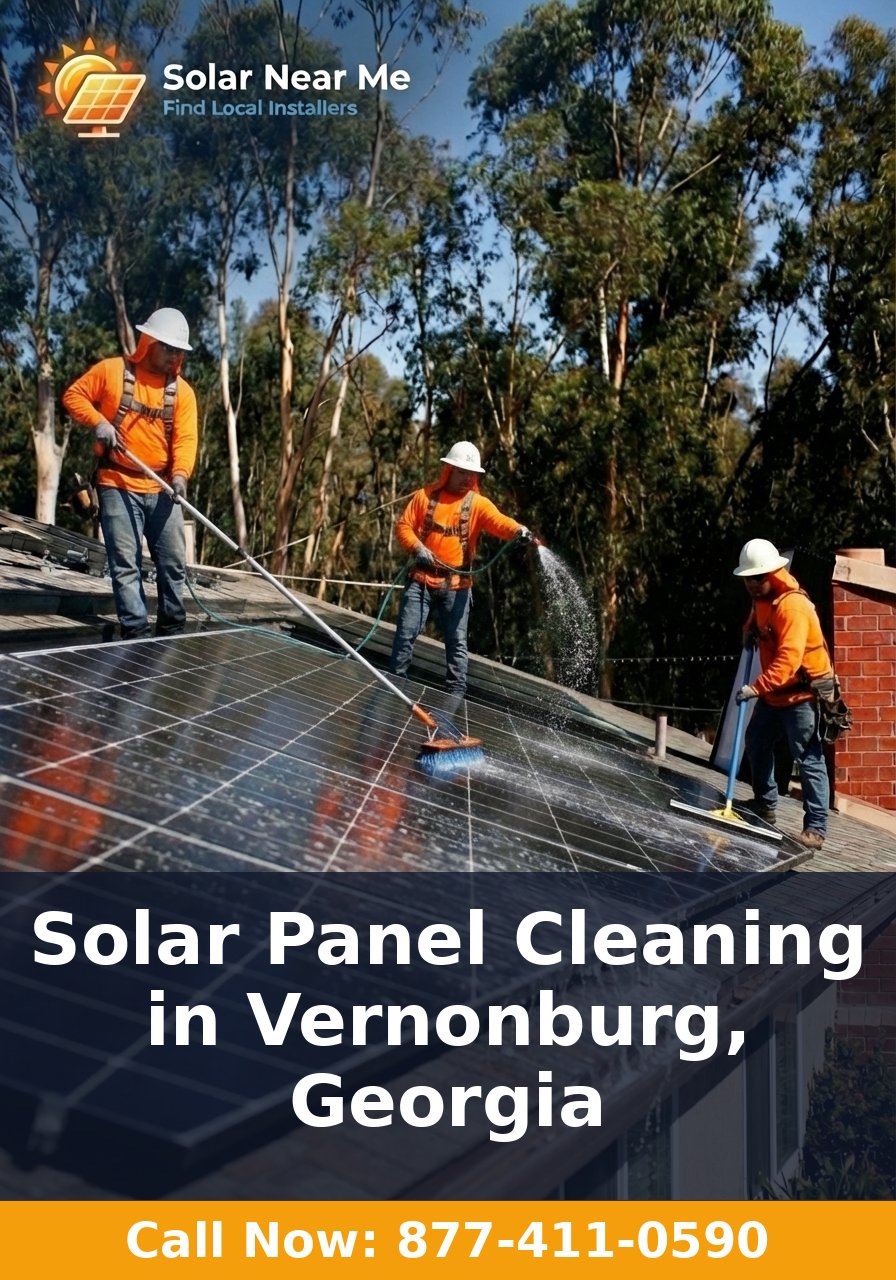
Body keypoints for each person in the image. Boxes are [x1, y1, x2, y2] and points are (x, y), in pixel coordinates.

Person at [63, 308, 198, 639]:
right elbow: (73, 396)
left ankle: (171, 632)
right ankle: (137, 636)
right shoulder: (111, 372)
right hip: (117, 483)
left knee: (172, 565)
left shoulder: (182, 393)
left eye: (179, 350)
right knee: (126, 563)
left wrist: (180, 476)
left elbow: (185, 439)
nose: (174, 355)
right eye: (168, 347)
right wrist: (99, 422)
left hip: (163, 488)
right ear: (148, 342)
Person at [390, 441, 534, 696]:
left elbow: (500, 522)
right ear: (448, 470)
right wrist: (417, 548)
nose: (466, 478)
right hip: (421, 579)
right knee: (406, 633)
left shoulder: (477, 504)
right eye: (461, 472)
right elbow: (404, 526)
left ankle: (456, 696)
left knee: (456, 644)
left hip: (457, 586)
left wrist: (518, 530)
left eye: (471, 473)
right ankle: (395, 686)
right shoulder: (425, 496)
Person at [732, 538, 833, 850]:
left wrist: (755, 688)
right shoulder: (762, 596)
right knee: (758, 741)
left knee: (808, 757)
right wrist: (748, 629)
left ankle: (815, 828)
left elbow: (788, 662)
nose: (749, 584)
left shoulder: (793, 607)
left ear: (770, 574)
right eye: (747, 578)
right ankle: (765, 804)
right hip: (776, 694)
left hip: (800, 695)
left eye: (755, 578)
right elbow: (757, 618)